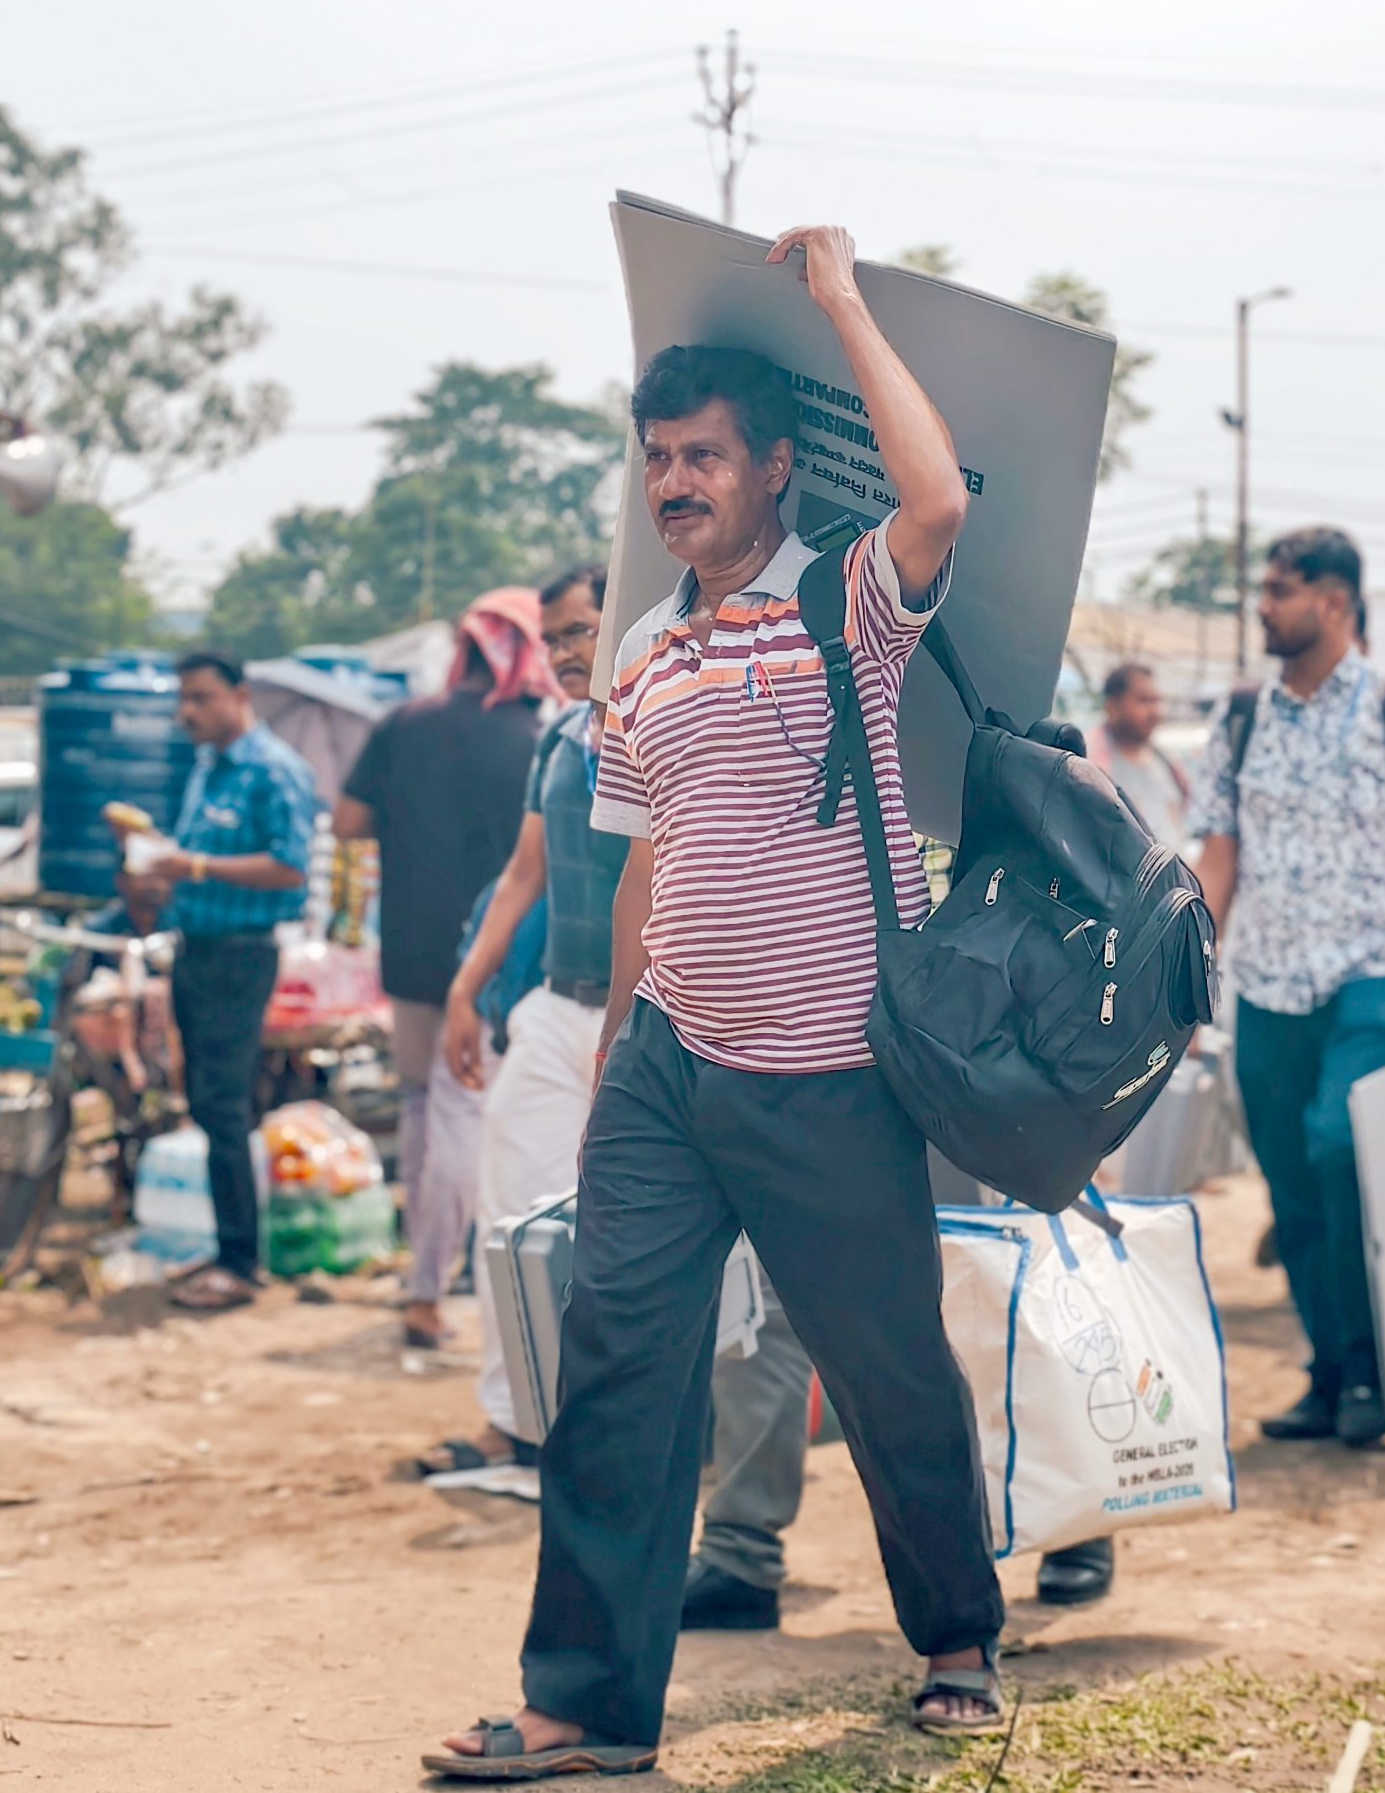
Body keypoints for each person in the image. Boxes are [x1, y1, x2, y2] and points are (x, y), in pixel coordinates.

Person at [427, 224, 1002, 1781]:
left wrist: (838, 300)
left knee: (885, 1368)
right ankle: (584, 1709)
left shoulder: (850, 612)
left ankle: (956, 1632)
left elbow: (938, 496)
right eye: (656, 458)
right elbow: (644, 855)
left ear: (774, 473)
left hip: (830, 1074)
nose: (674, 481)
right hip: (671, 1068)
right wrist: (622, 1033)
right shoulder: (643, 649)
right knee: (616, 1364)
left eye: (703, 455)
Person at [1189, 528, 1385, 1453]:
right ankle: (1329, 1370)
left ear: (1335, 601)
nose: (1264, 605)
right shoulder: (1240, 718)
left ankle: (1372, 1365)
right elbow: (1217, 861)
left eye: (1283, 589)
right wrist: (1188, 976)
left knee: (1338, 1142)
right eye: (1265, 588)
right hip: (1270, 986)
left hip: (1377, 971)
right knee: (1292, 1184)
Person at [406, 563, 634, 1477]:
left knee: (630, 1239)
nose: (565, 655)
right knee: (512, 1219)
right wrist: (468, 989)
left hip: (652, 1022)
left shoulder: (668, 722)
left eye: (581, 632)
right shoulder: (560, 740)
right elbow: (522, 875)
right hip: (552, 1012)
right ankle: (516, 1420)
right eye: (552, 641)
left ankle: (622, 1437)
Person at [336, 590, 552, 1350]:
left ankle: (423, 1277)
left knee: (423, 1106)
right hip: (494, 958)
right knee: (463, 1116)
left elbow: (347, 821)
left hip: (408, 947)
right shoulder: (539, 737)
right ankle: (432, 1287)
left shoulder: (406, 724)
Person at [115, 651, 318, 1315]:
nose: (189, 711)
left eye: (202, 697)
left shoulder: (273, 770)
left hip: (241, 955)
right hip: (195, 948)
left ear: (239, 694)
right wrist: (158, 872)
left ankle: (240, 1261)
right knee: (204, 1103)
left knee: (224, 1105)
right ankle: (230, 1247)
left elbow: (291, 868)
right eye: (185, 698)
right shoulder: (206, 767)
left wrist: (196, 865)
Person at [1090, 662, 1190, 844]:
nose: (1155, 712)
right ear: (1113, 706)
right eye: (1143, 701)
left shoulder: (1167, 762)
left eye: (1156, 701)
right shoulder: (1089, 768)